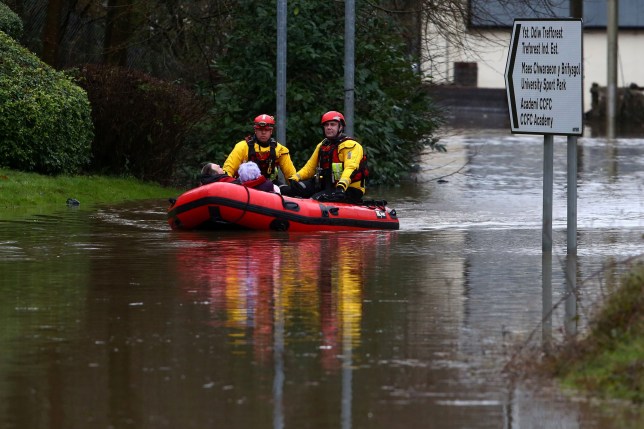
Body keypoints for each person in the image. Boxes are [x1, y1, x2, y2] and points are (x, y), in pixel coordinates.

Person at [285, 111, 368, 203]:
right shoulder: (323, 145)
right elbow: (310, 168)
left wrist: (341, 186)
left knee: (315, 199)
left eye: (332, 125)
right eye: (326, 125)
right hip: (327, 185)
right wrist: (295, 178)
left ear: (340, 127)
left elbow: (351, 168)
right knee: (292, 190)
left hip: (348, 189)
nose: (329, 127)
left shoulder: (351, 146)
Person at [222, 114, 296, 184]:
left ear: (271, 131)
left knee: (285, 188)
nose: (263, 132)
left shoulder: (280, 150)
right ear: (255, 130)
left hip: (269, 185)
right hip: (246, 185)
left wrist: (296, 186)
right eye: (260, 130)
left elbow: (291, 175)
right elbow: (229, 168)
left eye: (266, 130)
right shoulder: (242, 146)